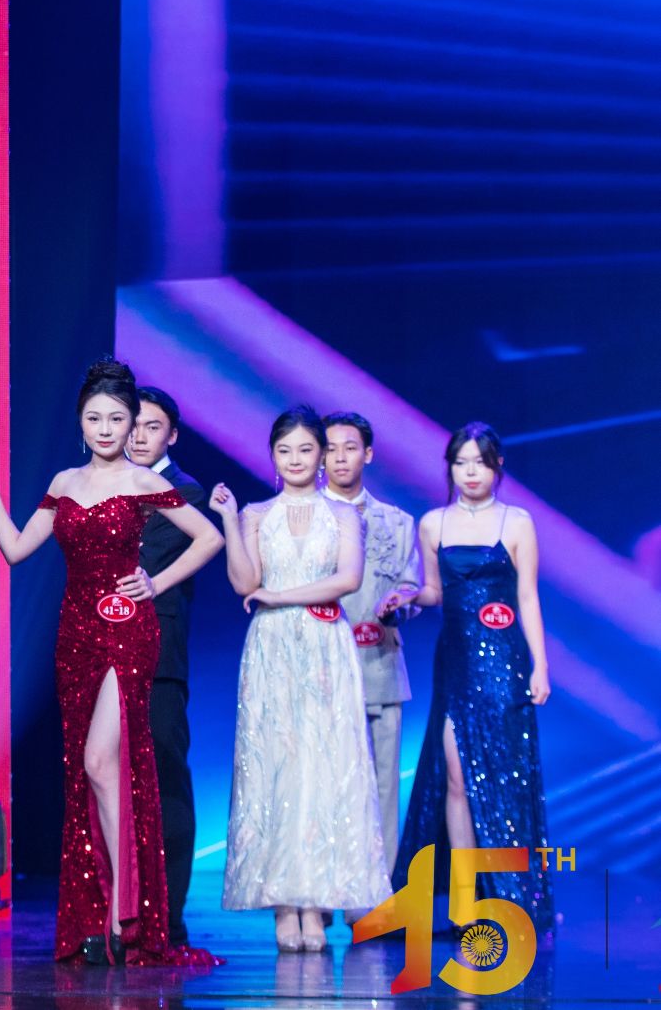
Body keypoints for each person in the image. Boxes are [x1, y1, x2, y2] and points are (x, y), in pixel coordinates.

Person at [0, 357, 223, 964]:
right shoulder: (64, 482)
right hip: (74, 633)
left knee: (102, 761)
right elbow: (16, 549)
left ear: (132, 423)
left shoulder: (143, 482)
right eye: (94, 418)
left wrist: (155, 583)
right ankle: (112, 908)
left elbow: (208, 537)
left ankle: (124, 914)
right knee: (89, 769)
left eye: (116, 419)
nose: (106, 429)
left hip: (127, 629)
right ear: (81, 422)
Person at [214, 404, 390, 953]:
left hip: (323, 646)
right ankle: (283, 907)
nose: (295, 459)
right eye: (284, 450)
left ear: (321, 456)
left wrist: (279, 596)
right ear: (272, 456)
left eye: (305, 449)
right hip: (271, 648)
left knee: (322, 770)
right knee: (275, 769)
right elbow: (245, 582)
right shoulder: (256, 514)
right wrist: (229, 520)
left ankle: (316, 904)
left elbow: (348, 579)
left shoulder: (342, 515)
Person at [393, 423, 554, 935]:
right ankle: (465, 904)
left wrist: (540, 665)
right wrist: (408, 597)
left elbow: (527, 597)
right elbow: (434, 591)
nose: (470, 472)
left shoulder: (518, 522)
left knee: (505, 781)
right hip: (456, 666)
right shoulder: (433, 523)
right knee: (457, 780)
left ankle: (512, 897)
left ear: (497, 466)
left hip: (504, 666)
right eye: (461, 463)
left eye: (480, 463)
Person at [322, 411, 422, 912]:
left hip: (380, 663)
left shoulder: (398, 523)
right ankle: (319, 892)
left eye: (350, 447)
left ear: (368, 454)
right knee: (322, 782)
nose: (340, 458)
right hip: (319, 670)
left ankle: (375, 899)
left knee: (382, 786)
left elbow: (411, 584)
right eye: (331, 448)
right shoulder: (304, 517)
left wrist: (402, 603)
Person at [127, 385, 207, 948]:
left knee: (165, 780)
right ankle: (118, 912)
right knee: (106, 780)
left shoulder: (185, 492)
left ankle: (169, 915)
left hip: (159, 654)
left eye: (151, 427)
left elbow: (145, 560)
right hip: (99, 650)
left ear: (171, 436)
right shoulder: (100, 483)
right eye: (131, 424)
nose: (137, 435)